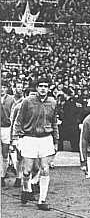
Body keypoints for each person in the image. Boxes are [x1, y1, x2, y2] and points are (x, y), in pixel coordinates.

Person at [12, 77, 59, 210]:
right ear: (37, 88)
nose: (43, 88)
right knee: (27, 171)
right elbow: (18, 121)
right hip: (29, 138)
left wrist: (56, 141)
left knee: (45, 168)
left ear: (49, 88)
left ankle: (42, 200)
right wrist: (15, 138)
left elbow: (54, 123)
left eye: (46, 86)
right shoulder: (27, 102)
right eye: (40, 86)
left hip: (46, 138)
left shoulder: (53, 102)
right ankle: (26, 189)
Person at [1, 81, 16, 186]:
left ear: (7, 88)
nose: (2, 89)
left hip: (6, 128)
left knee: (5, 153)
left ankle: (2, 175)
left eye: (4, 87)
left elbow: (13, 115)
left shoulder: (11, 99)